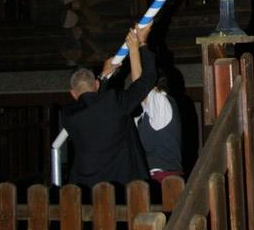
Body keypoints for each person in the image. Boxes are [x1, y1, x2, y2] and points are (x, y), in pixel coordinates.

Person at [61, 23, 156, 188]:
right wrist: (141, 44)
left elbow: (92, 106)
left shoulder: (68, 116)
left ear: (73, 93)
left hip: (87, 190)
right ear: (96, 85)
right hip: (122, 188)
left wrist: (103, 78)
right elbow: (148, 79)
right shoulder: (114, 102)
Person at [130, 32, 184, 185]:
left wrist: (134, 49)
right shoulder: (149, 111)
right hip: (156, 179)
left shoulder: (160, 100)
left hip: (164, 180)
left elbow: (139, 86)